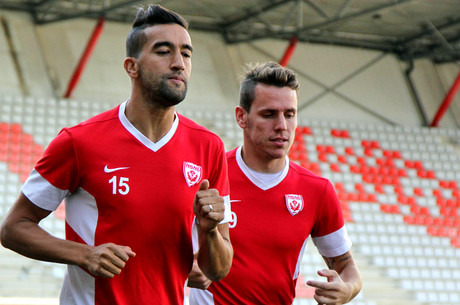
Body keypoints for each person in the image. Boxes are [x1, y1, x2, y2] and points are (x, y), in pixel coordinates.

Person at [0, 4, 233, 305]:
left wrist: (211, 231)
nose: (178, 63)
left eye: (186, 53)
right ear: (131, 67)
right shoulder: (78, 142)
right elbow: (13, 228)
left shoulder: (209, 147)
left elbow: (218, 270)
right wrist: (85, 254)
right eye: (164, 51)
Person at [188, 62, 362, 305]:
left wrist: (346, 289)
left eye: (289, 114)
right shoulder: (209, 177)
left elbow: (348, 268)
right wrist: (187, 269)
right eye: (269, 114)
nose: (282, 125)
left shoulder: (317, 190)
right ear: (241, 117)